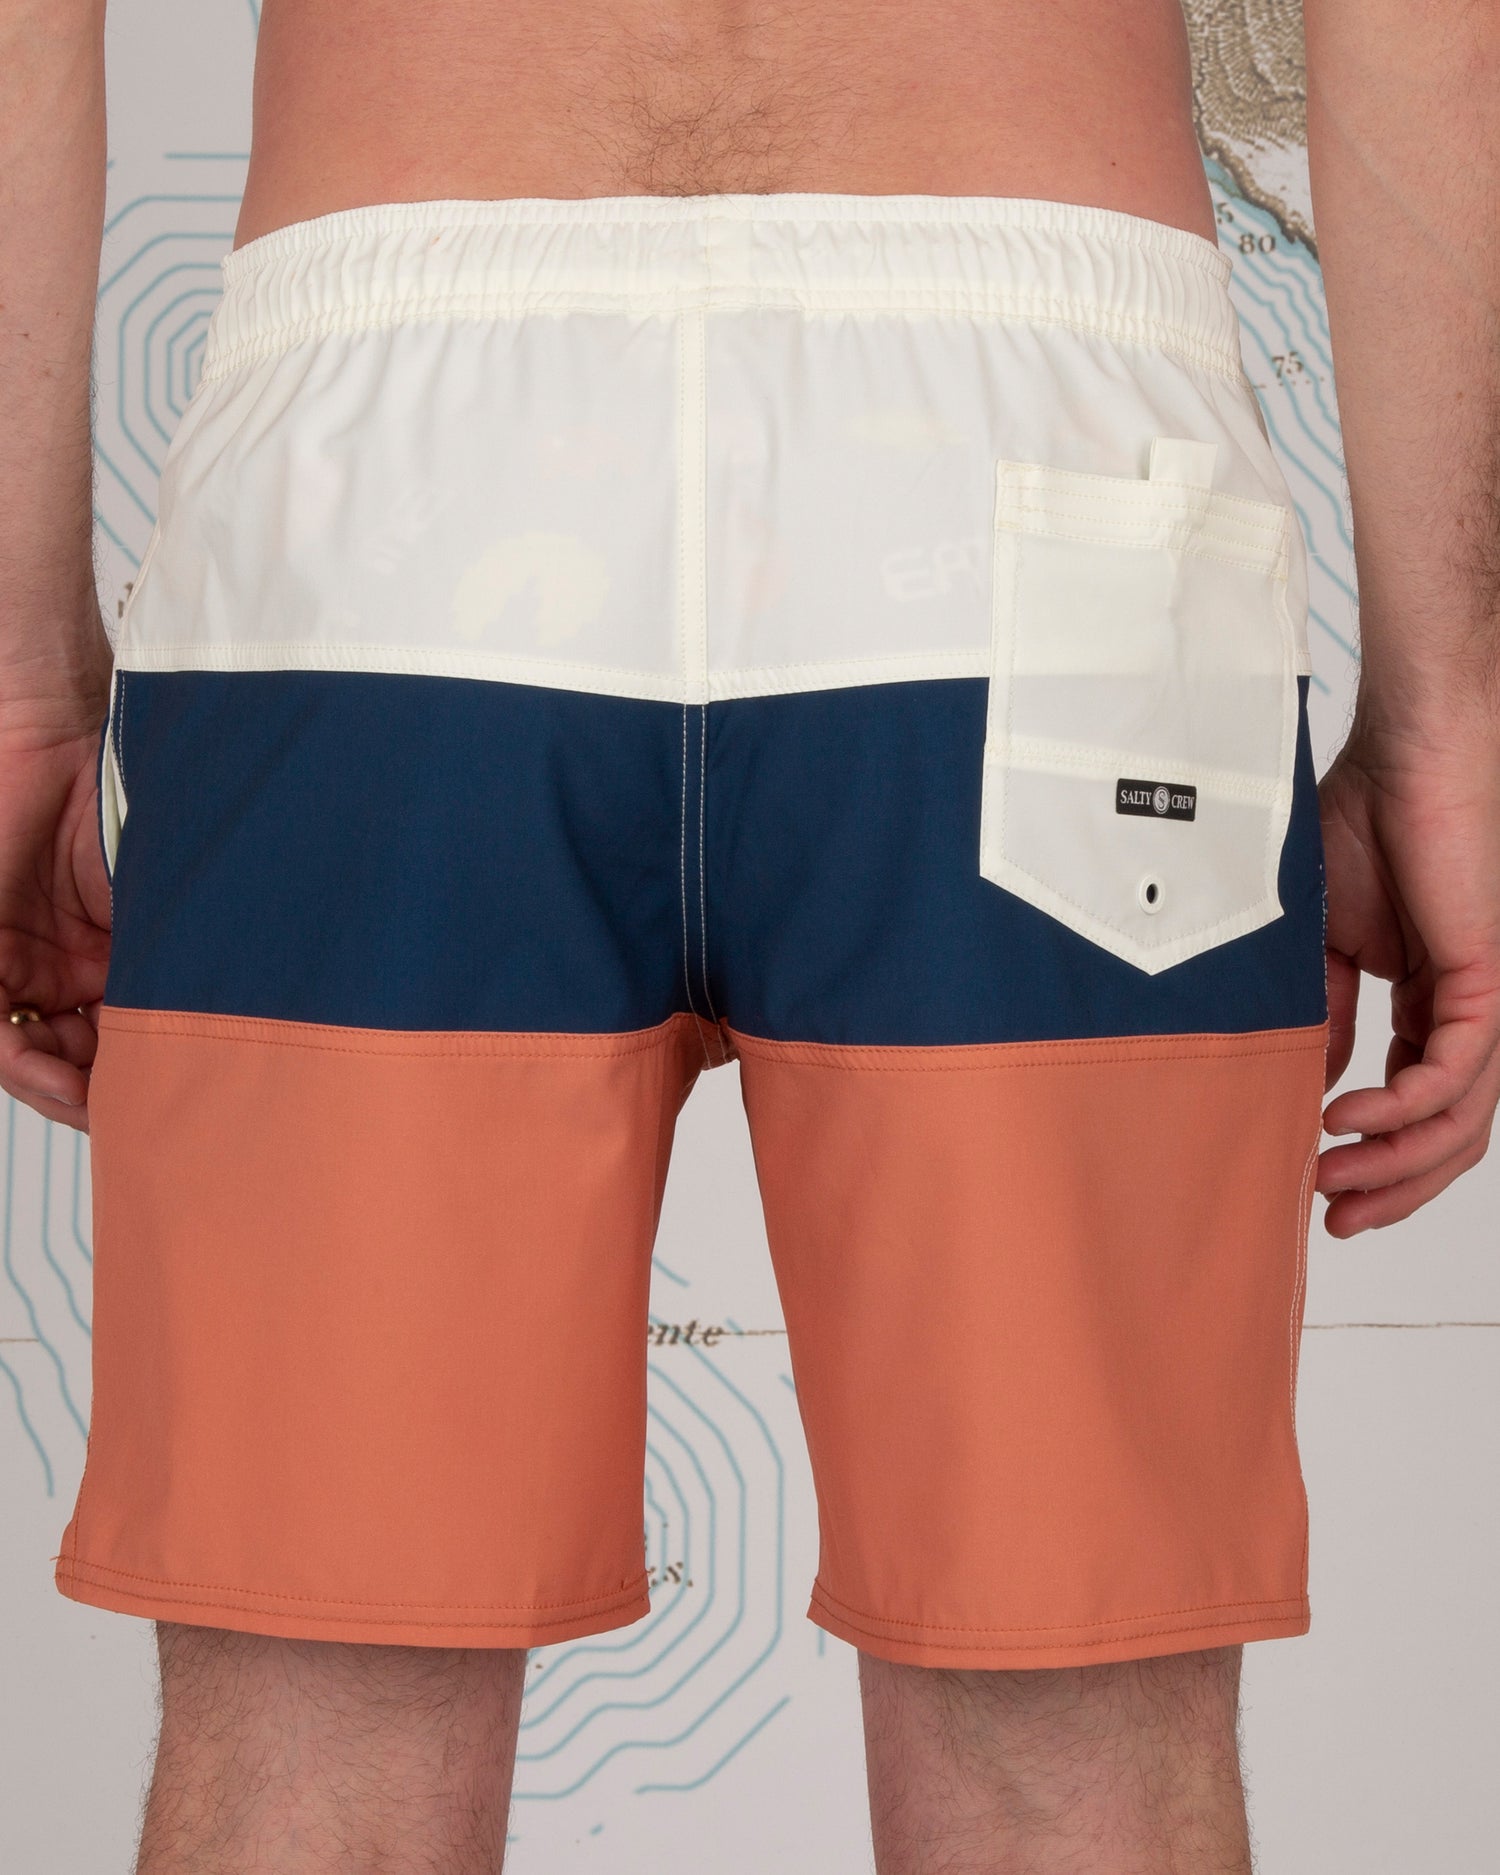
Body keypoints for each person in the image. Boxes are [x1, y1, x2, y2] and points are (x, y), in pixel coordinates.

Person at [2, 0, 1497, 1867]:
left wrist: (22, 688)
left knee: (316, 1769)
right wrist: (1447, 729)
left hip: (382, 503)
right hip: (1062, 484)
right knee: (1073, 1772)